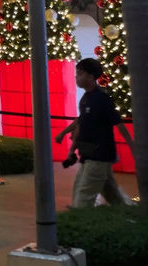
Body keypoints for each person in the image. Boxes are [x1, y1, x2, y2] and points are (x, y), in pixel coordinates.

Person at [56, 57, 134, 208]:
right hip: (87, 155)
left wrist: (132, 146)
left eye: (80, 73)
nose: (76, 77)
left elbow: (118, 123)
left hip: (99, 156)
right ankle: (128, 214)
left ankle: (79, 223)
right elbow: (81, 122)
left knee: (82, 199)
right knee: (113, 196)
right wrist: (66, 137)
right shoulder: (85, 99)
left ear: (91, 77)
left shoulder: (102, 99)